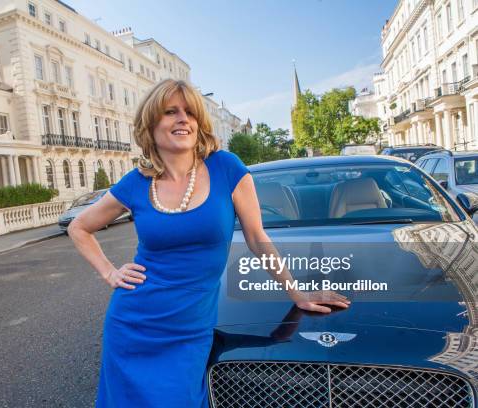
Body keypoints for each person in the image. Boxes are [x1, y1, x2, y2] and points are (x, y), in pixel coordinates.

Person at [69, 79, 351, 407]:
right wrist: (109, 272)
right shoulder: (135, 184)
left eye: (190, 112)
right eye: (171, 111)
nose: (183, 119)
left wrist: (296, 292)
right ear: (151, 123)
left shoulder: (226, 168)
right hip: (133, 323)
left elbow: (258, 239)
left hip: (190, 327)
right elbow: (79, 227)